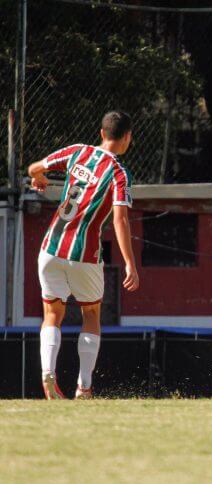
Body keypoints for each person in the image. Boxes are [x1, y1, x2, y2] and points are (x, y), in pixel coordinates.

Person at [28, 111, 140, 399]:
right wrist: (129, 263)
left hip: (51, 246)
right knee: (91, 314)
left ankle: (47, 374)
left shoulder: (76, 151)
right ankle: (84, 386)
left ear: (102, 133)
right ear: (126, 137)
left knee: (52, 312)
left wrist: (39, 178)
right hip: (85, 254)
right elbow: (120, 220)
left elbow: (33, 168)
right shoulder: (119, 173)